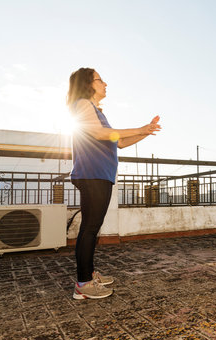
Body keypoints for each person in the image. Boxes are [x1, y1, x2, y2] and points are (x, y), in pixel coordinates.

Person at [66, 67, 161, 299]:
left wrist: (146, 131)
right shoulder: (82, 105)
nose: (105, 84)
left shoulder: (95, 110)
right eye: (100, 80)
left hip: (100, 173)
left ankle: (88, 274)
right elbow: (99, 134)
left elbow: (119, 143)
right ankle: (83, 284)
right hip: (93, 173)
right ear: (88, 83)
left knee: (92, 227)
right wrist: (140, 128)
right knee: (89, 228)